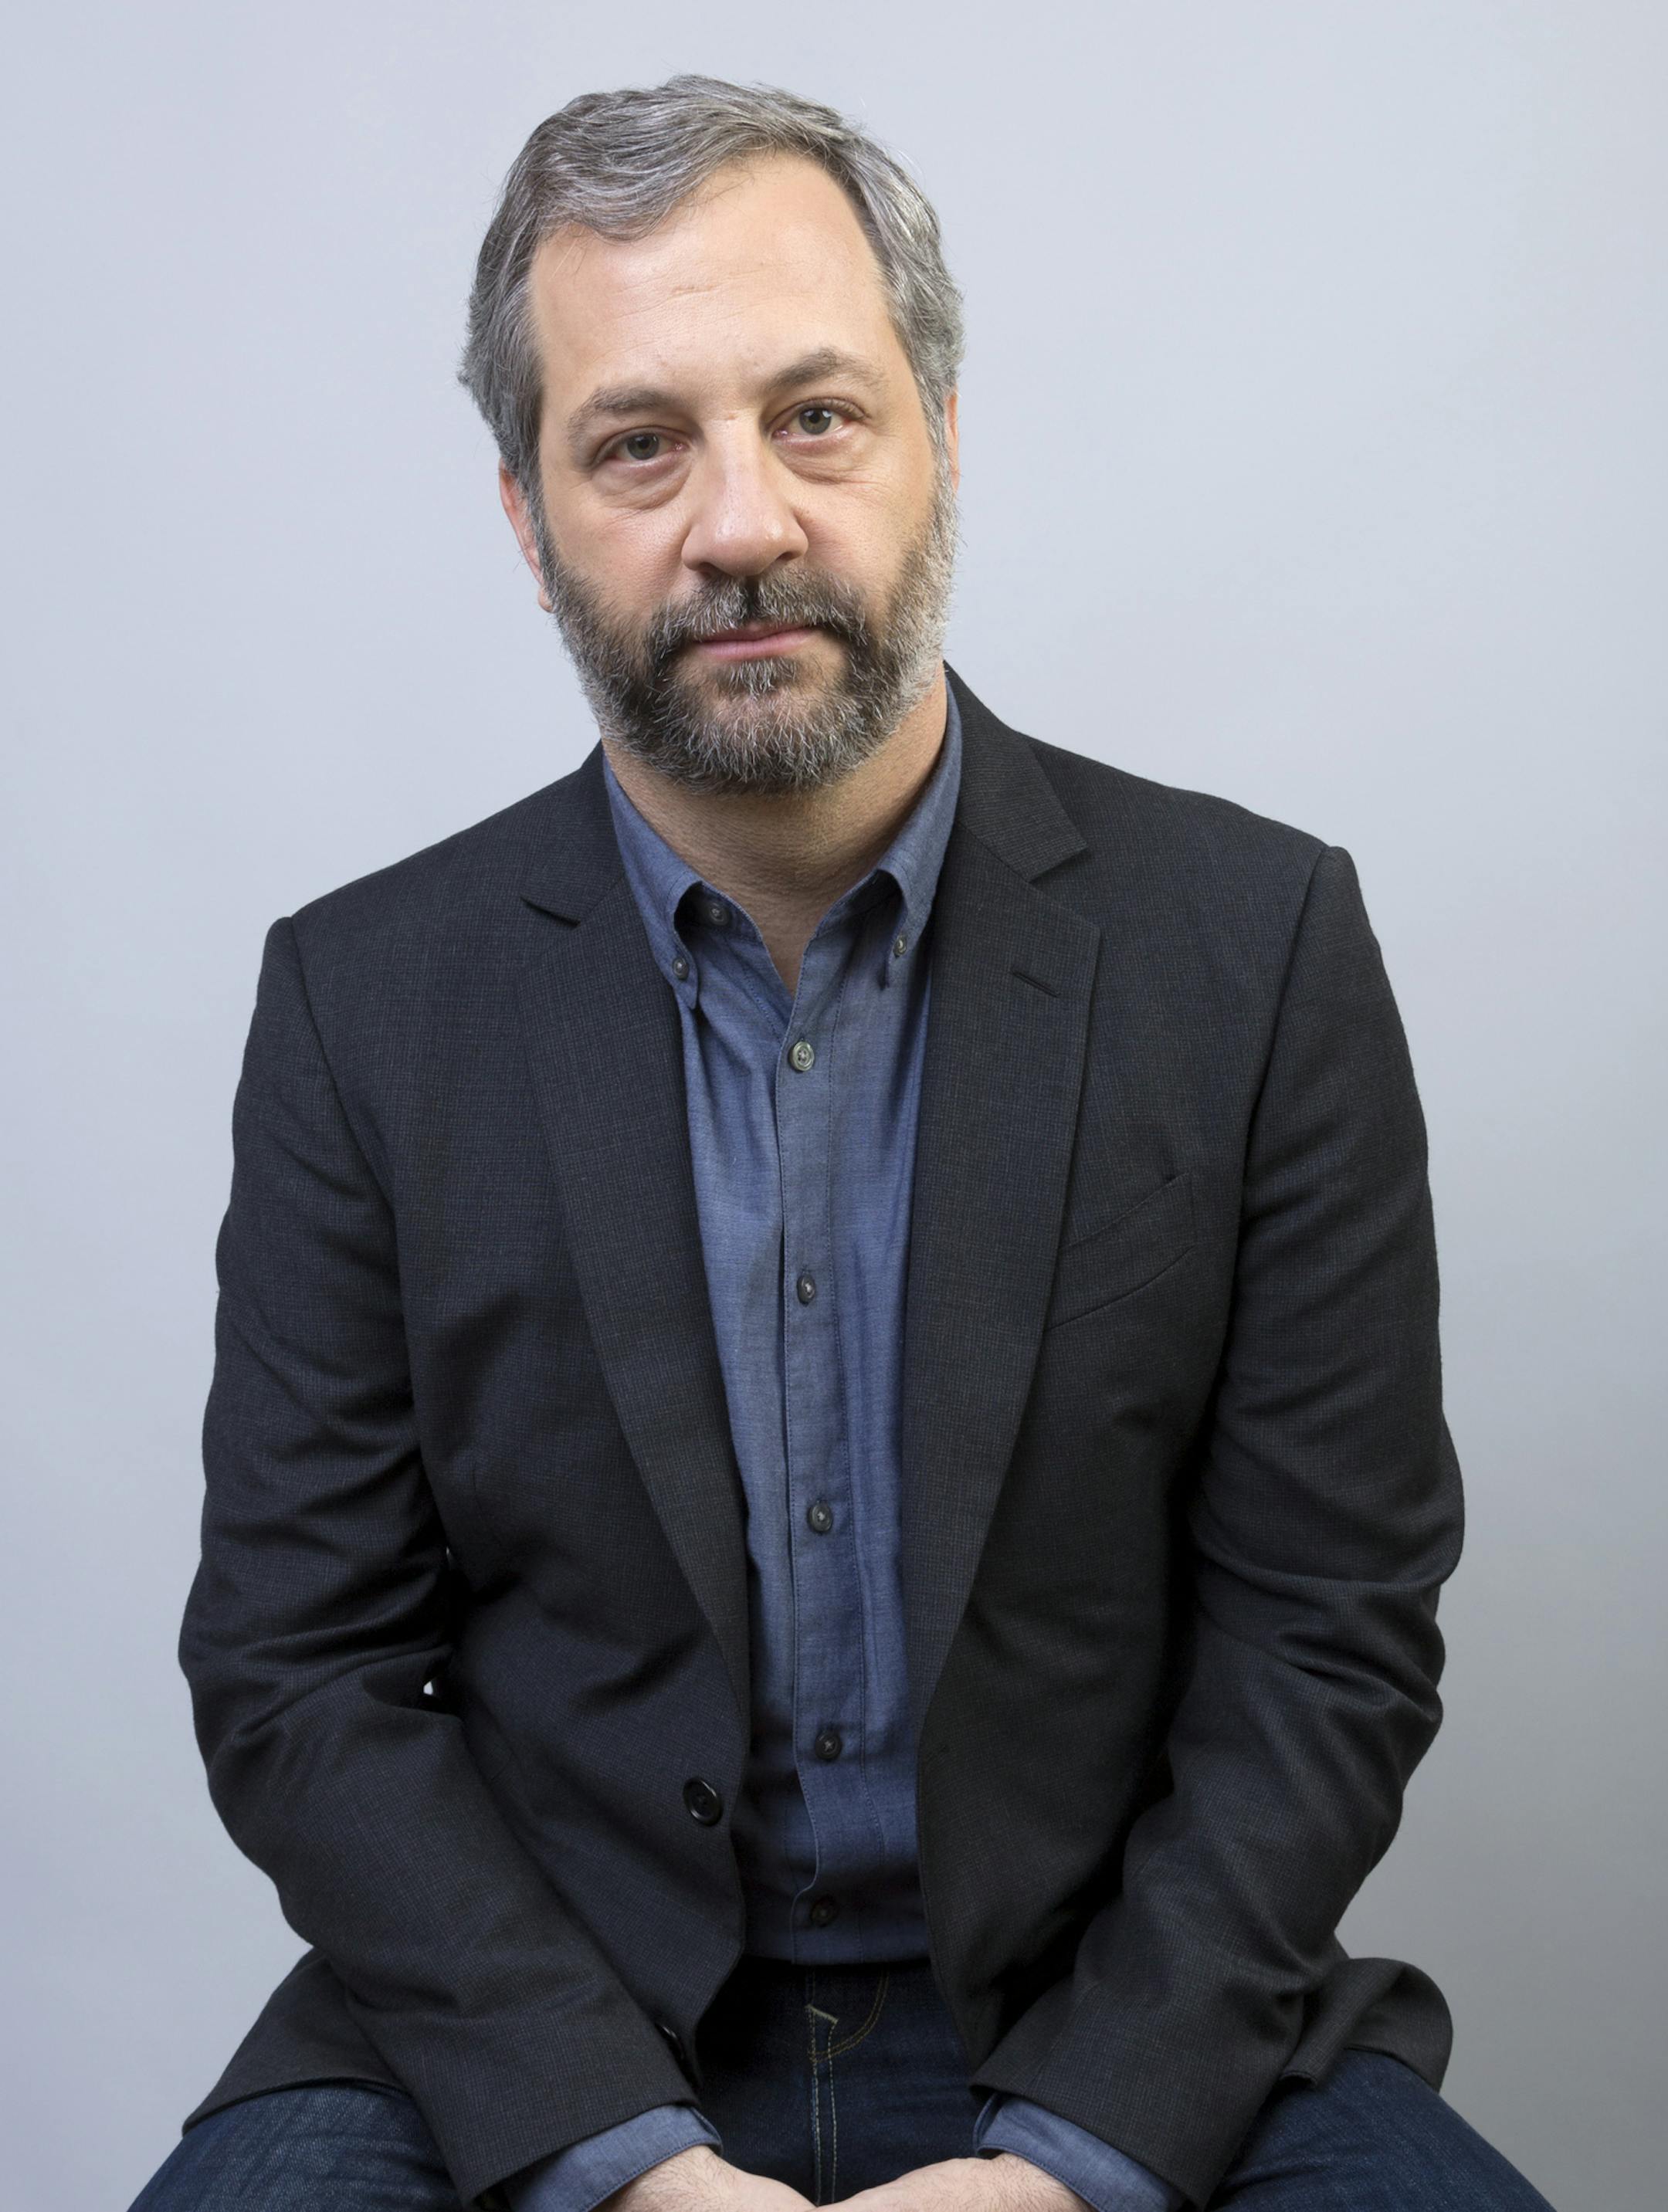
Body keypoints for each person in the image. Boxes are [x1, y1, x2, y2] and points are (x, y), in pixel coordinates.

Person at [131, 75, 1554, 2212]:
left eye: (817, 416)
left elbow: (1328, 1633)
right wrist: (625, 2157)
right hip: (531, 2029)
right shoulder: (365, 1002)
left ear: (940, 438)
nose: (742, 521)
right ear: (526, 511)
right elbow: (302, 1667)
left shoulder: (1254, 950)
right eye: (639, 443)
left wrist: (1067, 2159)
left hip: (1122, 2009)